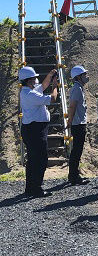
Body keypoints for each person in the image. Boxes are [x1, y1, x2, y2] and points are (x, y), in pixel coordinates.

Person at [19, 66, 58, 198]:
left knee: (33, 160)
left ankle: (31, 187)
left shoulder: (28, 91)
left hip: (32, 129)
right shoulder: (30, 94)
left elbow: (42, 85)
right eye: (34, 78)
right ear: (29, 80)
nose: (36, 80)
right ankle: (36, 188)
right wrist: (55, 86)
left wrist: (51, 74)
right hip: (35, 130)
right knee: (40, 159)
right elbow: (52, 98)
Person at [67, 65, 90, 185]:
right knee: (76, 151)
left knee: (77, 150)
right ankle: (73, 176)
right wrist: (70, 120)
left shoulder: (79, 88)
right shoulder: (76, 89)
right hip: (78, 124)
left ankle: (74, 174)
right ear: (78, 77)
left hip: (79, 123)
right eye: (84, 75)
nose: (86, 77)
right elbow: (72, 105)